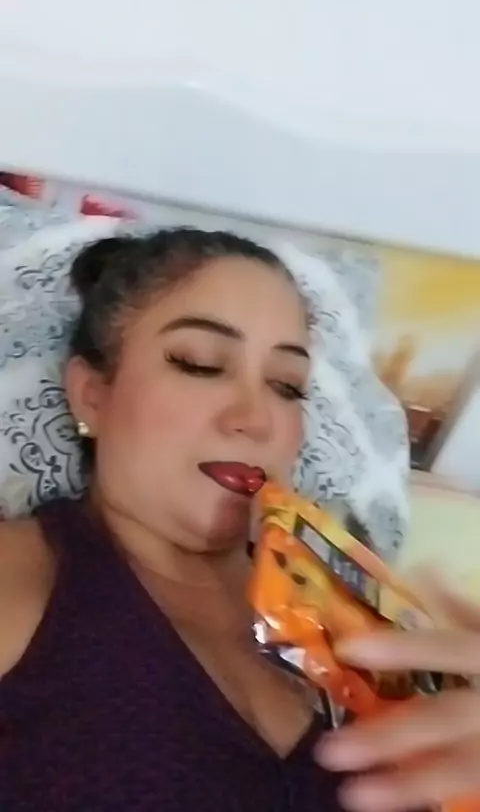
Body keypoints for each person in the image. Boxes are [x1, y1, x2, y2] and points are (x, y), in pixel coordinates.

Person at [0, 228, 479, 811]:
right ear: (92, 395)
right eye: (200, 364)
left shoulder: (363, 610)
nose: (257, 418)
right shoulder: (25, 576)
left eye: (287, 386)